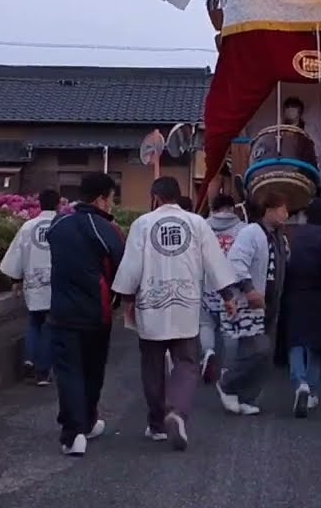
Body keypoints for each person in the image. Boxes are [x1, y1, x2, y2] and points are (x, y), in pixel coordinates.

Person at [112, 176, 242, 452]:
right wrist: (228, 296)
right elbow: (214, 262)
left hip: (152, 305)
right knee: (186, 362)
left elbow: (131, 267)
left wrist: (126, 298)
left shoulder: (142, 225)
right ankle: (177, 411)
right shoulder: (197, 223)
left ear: (155, 197)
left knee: (152, 365)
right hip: (185, 304)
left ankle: (157, 423)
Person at [46, 173, 126, 457]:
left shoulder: (59, 223)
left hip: (61, 312)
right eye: (112, 199)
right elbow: (122, 268)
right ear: (101, 198)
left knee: (68, 373)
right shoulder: (108, 230)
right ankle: (86, 423)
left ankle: (73, 434)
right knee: (92, 372)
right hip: (97, 314)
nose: (112, 205)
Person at [217, 191, 290, 416]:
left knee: (266, 357)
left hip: (271, 302)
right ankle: (228, 384)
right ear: (269, 210)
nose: (286, 214)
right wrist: (249, 289)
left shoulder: (279, 236)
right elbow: (236, 261)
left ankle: (246, 397)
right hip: (252, 303)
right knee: (258, 349)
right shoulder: (251, 232)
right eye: (282, 209)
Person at [280, 198, 321, 417]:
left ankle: (299, 382)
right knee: (316, 345)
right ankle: (312, 390)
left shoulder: (294, 235)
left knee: (295, 342)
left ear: (305, 216)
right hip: (318, 293)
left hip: (294, 293)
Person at [0, 189, 63, 386]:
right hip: (56, 284)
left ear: (40, 204)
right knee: (50, 326)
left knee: (35, 322)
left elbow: (16, 255)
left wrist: (15, 280)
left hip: (34, 282)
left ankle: (29, 358)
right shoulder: (62, 225)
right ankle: (43, 372)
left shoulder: (28, 227)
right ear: (59, 204)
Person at [203, 193, 245, 383]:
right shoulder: (243, 229)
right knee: (231, 328)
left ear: (213, 208)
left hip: (207, 284)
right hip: (232, 287)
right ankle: (228, 369)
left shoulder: (202, 226)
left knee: (205, 324)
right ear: (232, 208)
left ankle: (208, 352)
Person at [280, 96, 321, 169]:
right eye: (287, 107)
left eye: (293, 107)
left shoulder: (309, 128)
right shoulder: (278, 129)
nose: (290, 110)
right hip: (283, 165)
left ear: (300, 111)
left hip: (303, 165)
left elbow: (316, 150)